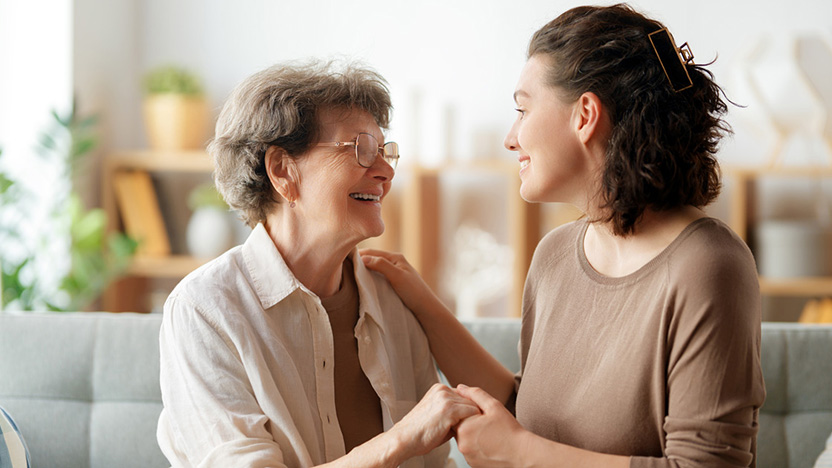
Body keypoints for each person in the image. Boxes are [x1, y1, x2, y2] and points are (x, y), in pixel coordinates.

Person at [362, 4, 766, 467]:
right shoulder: (554, 254)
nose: (511, 138)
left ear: (585, 115)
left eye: (522, 109)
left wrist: (516, 451)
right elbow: (533, 421)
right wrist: (422, 302)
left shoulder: (708, 265)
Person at [156, 60, 478, 468]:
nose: (384, 171)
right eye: (361, 149)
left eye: (384, 151)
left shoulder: (394, 298)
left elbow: (435, 463)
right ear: (282, 171)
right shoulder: (205, 310)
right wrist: (400, 439)